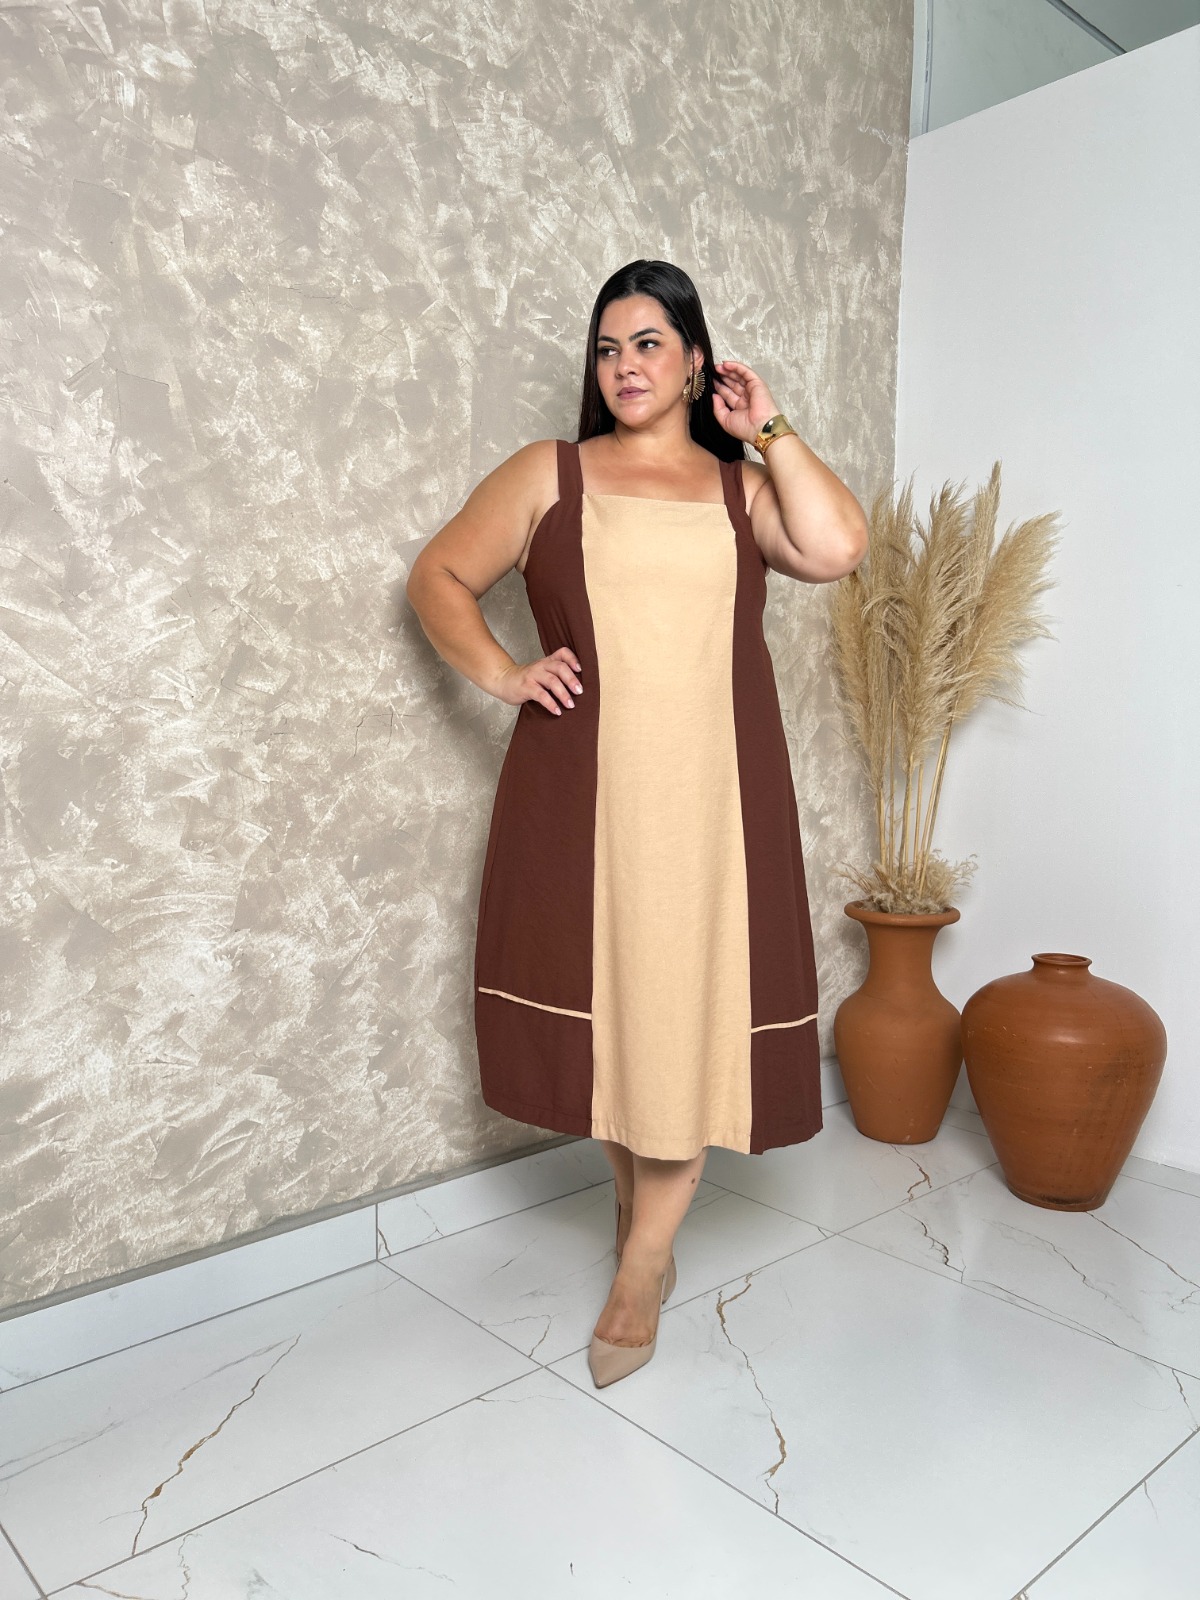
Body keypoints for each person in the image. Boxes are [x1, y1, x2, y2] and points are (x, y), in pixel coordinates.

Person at [406, 259, 868, 1388]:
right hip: (584, 794)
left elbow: (837, 546)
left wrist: (771, 431)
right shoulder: (549, 474)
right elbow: (438, 577)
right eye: (608, 348)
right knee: (621, 1019)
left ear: (698, 361)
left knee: (687, 1019)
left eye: (649, 343)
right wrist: (507, 674)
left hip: (718, 800)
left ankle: (641, 1266)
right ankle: (642, 1228)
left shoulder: (739, 490)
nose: (624, 366)